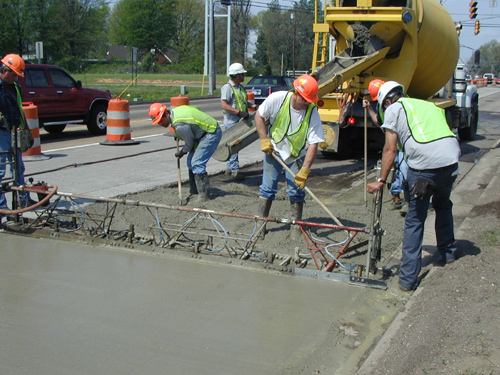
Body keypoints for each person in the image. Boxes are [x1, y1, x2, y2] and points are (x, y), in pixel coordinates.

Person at [366, 81, 461, 292]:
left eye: (384, 106)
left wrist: (381, 181)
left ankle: (407, 280)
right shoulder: (427, 105)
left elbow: (390, 149)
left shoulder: (393, 109)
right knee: (443, 205)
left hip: (424, 169)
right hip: (451, 162)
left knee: (415, 219)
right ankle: (448, 253)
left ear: (388, 101)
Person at [255, 74, 324, 238]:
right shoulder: (278, 99)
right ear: (296, 94)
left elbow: (314, 144)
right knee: (267, 188)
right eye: (305, 100)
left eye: (310, 101)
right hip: (274, 150)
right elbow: (259, 116)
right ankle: (260, 224)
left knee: (296, 191)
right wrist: (264, 140)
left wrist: (305, 170)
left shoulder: (312, 113)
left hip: (296, 155)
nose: (307, 104)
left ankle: (295, 225)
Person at [148, 103, 222, 202]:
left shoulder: (179, 125)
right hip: (201, 134)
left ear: (166, 114)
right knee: (190, 162)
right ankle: (194, 189)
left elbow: (189, 142)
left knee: (197, 163)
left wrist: (182, 152)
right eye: (158, 122)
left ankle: (204, 195)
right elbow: (196, 108)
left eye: (161, 121)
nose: (160, 124)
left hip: (211, 132)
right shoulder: (176, 111)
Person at [363, 79, 408, 213]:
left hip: (405, 146)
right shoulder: (382, 105)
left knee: (406, 174)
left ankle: (409, 202)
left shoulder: (402, 104)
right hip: (394, 143)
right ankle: (396, 198)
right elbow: (379, 121)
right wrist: (369, 108)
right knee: (391, 173)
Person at [0, 53, 34, 210]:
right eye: (14, 75)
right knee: (1, 170)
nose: (16, 78)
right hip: (1, 133)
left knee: (18, 168)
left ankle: (22, 200)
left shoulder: (15, 88)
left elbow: (19, 108)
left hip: (14, 132)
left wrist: (26, 129)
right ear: (5, 71)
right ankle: (2, 206)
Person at [220, 62, 258, 181]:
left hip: (239, 120)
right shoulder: (227, 88)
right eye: (242, 74)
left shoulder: (240, 87)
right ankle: (235, 171)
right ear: (236, 75)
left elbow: (242, 101)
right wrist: (238, 112)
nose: (244, 76)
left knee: (233, 146)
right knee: (234, 146)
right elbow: (224, 105)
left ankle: (229, 168)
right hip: (231, 121)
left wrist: (253, 106)